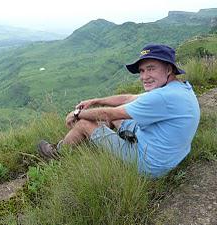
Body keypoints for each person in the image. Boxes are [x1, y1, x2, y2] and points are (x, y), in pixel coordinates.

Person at [37, 44, 200, 178]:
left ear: (169, 69)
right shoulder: (179, 88)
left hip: (149, 164)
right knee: (114, 115)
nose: (144, 76)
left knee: (84, 124)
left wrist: (77, 114)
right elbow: (128, 99)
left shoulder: (161, 97)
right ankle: (103, 136)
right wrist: (95, 101)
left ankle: (58, 152)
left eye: (151, 69)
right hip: (169, 154)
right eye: (142, 71)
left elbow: (110, 114)